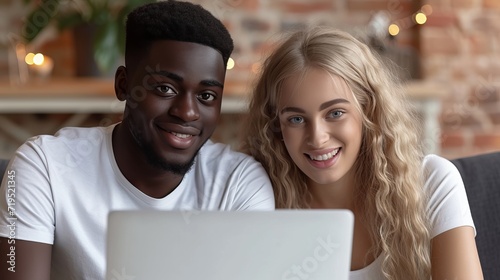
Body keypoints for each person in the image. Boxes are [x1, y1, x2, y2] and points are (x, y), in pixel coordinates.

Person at [0, 1, 274, 279]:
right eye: (165, 88)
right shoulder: (43, 166)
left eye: (206, 96)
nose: (187, 112)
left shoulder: (239, 184)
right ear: (123, 85)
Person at [241, 26, 483, 280]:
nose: (317, 137)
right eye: (297, 119)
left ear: (369, 110)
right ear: (276, 125)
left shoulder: (432, 183)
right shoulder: (259, 198)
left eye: (335, 113)